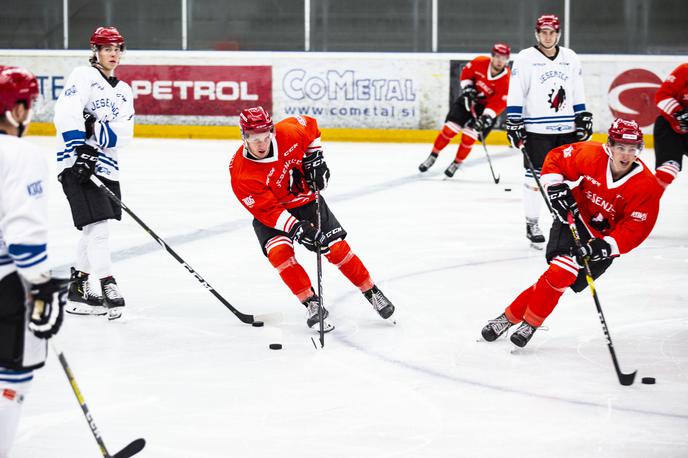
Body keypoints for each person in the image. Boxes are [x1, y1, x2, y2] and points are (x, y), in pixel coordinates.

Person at [480, 119, 662, 348]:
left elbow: (636, 228)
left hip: (603, 240)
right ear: (610, 146)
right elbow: (557, 158)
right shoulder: (592, 154)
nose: (626, 155)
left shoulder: (646, 186)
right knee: (562, 272)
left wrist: (606, 246)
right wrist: (555, 187)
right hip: (573, 217)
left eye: (632, 148)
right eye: (620, 148)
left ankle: (507, 318)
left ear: (639, 150)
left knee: (558, 278)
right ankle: (530, 323)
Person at [229, 107, 395, 332]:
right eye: (254, 138)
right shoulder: (241, 172)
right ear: (244, 136)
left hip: (306, 202)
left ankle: (372, 292)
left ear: (272, 131)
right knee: (280, 254)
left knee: (336, 250)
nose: (261, 143)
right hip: (273, 214)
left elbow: (311, 126)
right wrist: (298, 229)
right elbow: (268, 211)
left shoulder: (289, 133)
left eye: (266, 136)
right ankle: (312, 303)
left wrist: (315, 158)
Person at [0, 66, 68, 458]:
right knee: (12, 380)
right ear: (16, 110)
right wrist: (41, 286)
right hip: (6, 284)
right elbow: (24, 234)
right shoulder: (19, 154)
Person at [54, 26, 134, 320]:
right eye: (107, 48)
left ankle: (78, 288)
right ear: (96, 51)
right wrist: (79, 150)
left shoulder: (124, 91)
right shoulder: (83, 76)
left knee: (93, 229)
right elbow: (66, 111)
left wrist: (94, 128)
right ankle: (107, 283)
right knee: (99, 228)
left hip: (107, 166)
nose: (113, 54)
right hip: (77, 165)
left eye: (117, 49)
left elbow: (126, 133)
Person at [505, 14, 593, 248]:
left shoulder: (570, 58)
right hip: (536, 129)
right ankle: (532, 222)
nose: (547, 36)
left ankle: (570, 221)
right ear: (537, 33)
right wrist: (514, 121)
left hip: (566, 128)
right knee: (533, 179)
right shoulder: (525, 58)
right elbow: (517, 91)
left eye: (552, 32)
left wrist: (582, 116)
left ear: (558, 33)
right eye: (543, 32)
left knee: (570, 179)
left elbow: (577, 90)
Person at [418, 43, 511, 178]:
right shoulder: (480, 62)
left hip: (486, 110)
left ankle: (456, 163)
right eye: (497, 56)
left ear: (507, 59)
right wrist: (468, 89)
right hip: (468, 100)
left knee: (468, 137)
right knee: (449, 130)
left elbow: (499, 103)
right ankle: (433, 155)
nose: (500, 60)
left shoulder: (507, 80)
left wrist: (486, 117)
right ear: (492, 56)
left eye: (503, 58)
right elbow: (466, 74)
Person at [653, 62, 688, 191]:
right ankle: (643, 205)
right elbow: (662, 96)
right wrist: (680, 113)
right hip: (669, 127)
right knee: (667, 171)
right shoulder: (685, 70)